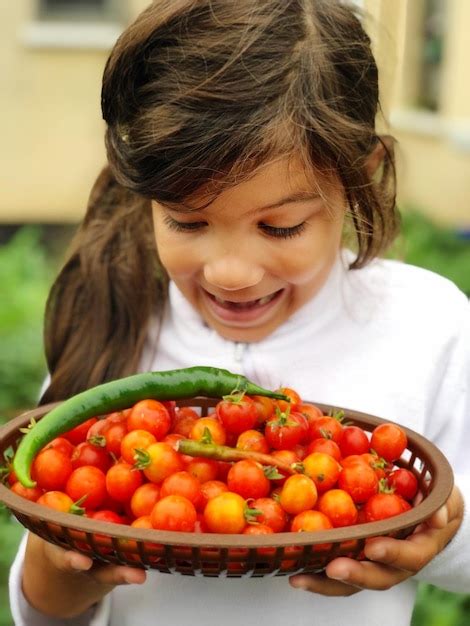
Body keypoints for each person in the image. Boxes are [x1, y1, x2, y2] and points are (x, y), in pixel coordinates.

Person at [8, 1, 470, 625]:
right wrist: (57, 577)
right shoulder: (112, 316)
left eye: (279, 227)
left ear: (362, 179)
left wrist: (438, 535)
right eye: (187, 221)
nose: (231, 271)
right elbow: (42, 608)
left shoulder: (429, 324)